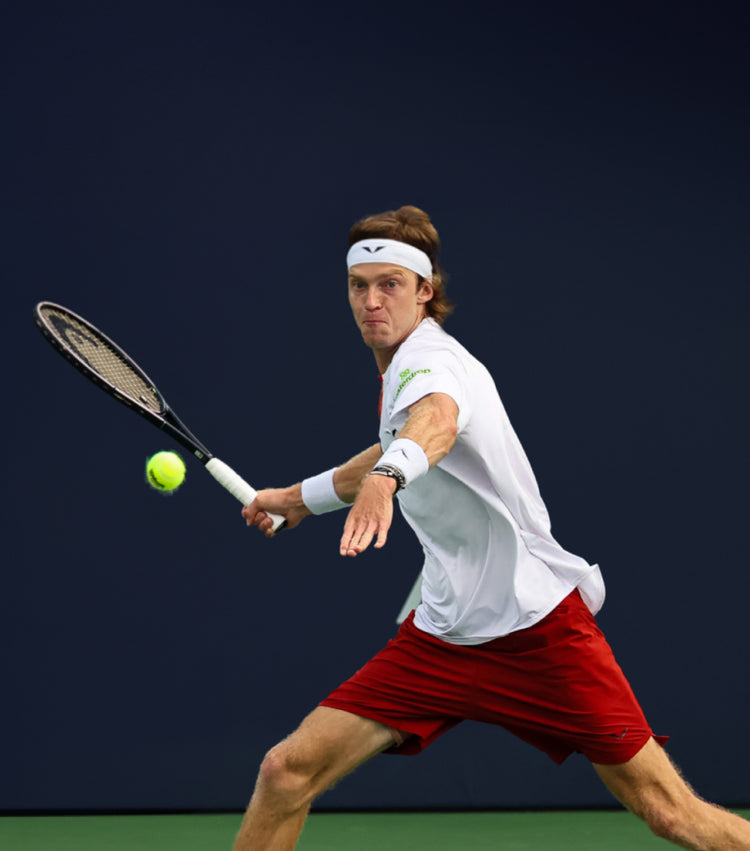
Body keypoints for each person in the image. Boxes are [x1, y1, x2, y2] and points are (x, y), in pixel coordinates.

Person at [236, 206, 750, 851]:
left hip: (537, 631)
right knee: (287, 772)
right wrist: (300, 498)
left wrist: (388, 477)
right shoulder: (401, 368)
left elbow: (436, 423)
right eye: (358, 286)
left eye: (390, 284)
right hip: (444, 636)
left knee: (672, 815)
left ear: (425, 291)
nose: (371, 301)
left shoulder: (432, 362)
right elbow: (395, 440)